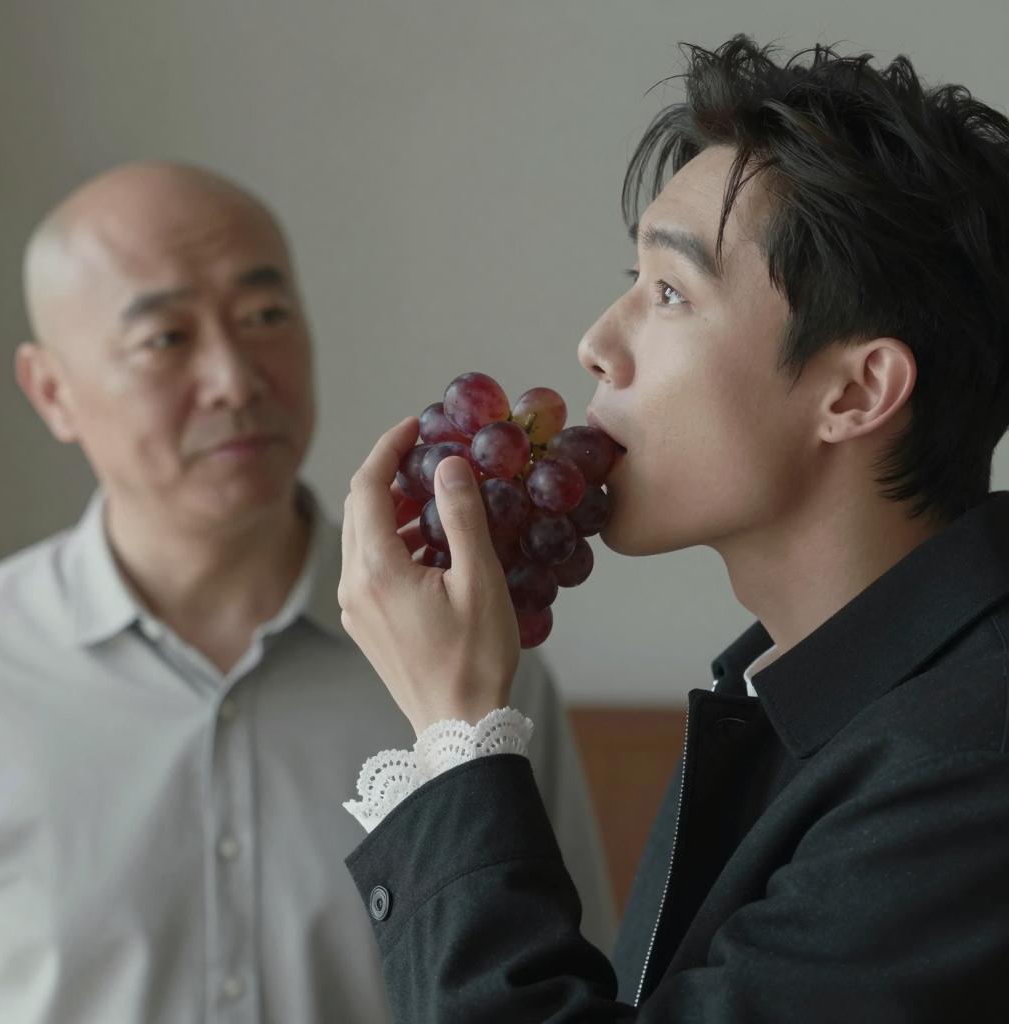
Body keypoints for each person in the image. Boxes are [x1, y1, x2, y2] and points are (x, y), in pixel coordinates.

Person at [337, 34, 1009, 1022]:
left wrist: (456, 724)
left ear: (857, 391)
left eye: (669, 292)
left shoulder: (968, 761)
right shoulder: (789, 699)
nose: (596, 345)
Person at [0, 161, 615, 1024]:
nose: (235, 379)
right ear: (53, 391)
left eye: (265, 316)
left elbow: (568, 984)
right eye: (165, 338)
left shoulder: (464, 661)